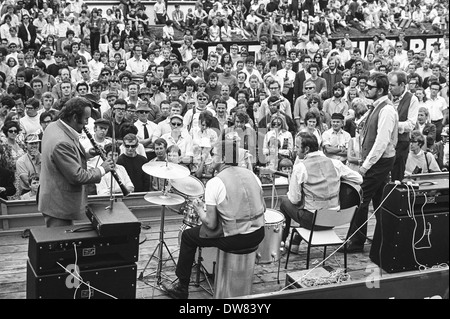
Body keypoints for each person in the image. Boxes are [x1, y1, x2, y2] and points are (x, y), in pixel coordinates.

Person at [162, 137, 266, 299]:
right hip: (259, 233)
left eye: (214, 155)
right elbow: (263, 208)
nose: (211, 158)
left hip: (237, 238)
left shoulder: (216, 182)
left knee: (188, 236)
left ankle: (182, 288)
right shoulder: (252, 176)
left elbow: (210, 223)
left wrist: (198, 208)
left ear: (223, 158)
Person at [280, 131, 362, 253]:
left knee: (284, 201)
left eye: (297, 147)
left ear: (306, 149)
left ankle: (282, 243)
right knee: (309, 204)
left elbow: (294, 200)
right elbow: (359, 179)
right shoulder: (335, 163)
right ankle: (294, 242)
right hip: (334, 219)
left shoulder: (300, 168)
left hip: (313, 220)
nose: (295, 150)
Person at [38, 97, 115, 227]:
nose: (86, 124)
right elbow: (77, 176)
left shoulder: (54, 126)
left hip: (55, 199)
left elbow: (65, 158)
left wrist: (89, 153)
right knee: (61, 243)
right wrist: (102, 169)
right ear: (74, 117)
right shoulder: (61, 142)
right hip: (58, 205)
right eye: (85, 119)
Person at [345, 72, 398, 253]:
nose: (365, 89)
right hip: (378, 160)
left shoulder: (387, 110)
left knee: (360, 197)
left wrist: (365, 166)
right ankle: (384, 238)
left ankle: (356, 242)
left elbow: (381, 143)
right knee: (379, 200)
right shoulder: (376, 106)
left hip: (380, 161)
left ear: (381, 90)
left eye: (370, 87)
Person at [388, 71, 419, 182]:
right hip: (385, 141)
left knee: (397, 177)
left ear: (402, 85)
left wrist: (392, 124)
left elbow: (410, 124)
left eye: (392, 85)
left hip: (401, 143)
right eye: (389, 85)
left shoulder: (412, 99)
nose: (390, 88)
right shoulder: (387, 97)